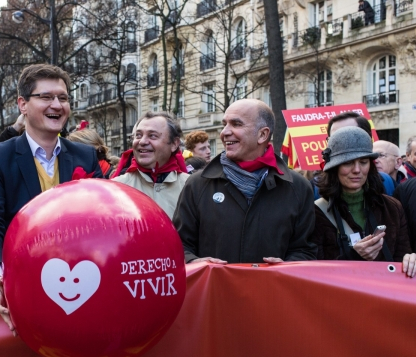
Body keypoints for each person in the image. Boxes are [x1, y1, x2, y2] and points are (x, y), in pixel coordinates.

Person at [0, 64, 102, 335]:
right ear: (23, 104)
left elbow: (103, 222)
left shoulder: (86, 156)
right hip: (24, 290)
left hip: (83, 287)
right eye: (46, 97)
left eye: (63, 98)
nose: (57, 104)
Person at [173, 99, 317, 264]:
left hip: (272, 289)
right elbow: (178, 245)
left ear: (262, 134)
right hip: (215, 290)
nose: (225, 132)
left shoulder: (297, 187)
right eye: (224, 124)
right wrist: (193, 262)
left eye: (236, 124)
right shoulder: (198, 184)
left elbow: (306, 249)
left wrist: (288, 267)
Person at [312, 126, 416, 277]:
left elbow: (402, 258)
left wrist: (412, 260)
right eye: (348, 163)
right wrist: (354, 256)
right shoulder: (316, 213)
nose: (357, 170)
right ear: (334, 168)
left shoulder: (392, 208)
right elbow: (314, 273)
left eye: (363, 161)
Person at [112, 111, 189, 218]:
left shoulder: (191, 187)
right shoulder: (116, 188)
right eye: (138, 135)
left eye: (152, 136)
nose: (142, 141)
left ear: (174, 144)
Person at [326, 111, 395, 195]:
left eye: (350, 135)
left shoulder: (387, 182)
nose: (356, 170)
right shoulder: (315, 188)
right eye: (335, 138)